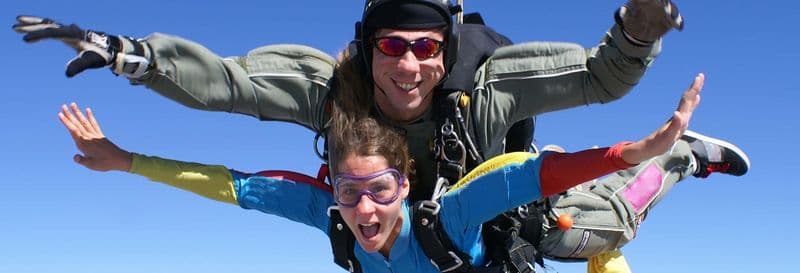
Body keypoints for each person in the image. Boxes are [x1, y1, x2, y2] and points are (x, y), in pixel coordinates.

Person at [16, 0, 742, 270]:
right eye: (392, 46)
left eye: (427, 47)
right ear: (368, 48)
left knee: (594, 229)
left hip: (491, 216)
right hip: (411, 231)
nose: (409, 66)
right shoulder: (336, 101)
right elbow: (228, 87)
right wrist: (132, 57)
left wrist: (636, 30)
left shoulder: (486, 86)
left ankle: (678, 157)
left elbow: (598, 81)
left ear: (448, 48)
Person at [58, 71, 709, 273]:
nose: (364, 210)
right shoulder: (332, 218)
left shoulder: (443, 217)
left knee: (605, 229)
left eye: (379, 190)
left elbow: (519, 180)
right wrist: (126, 162)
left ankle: (683, 157)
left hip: (537, 223)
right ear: (332, 193)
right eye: (348, 192)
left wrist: (634, 150)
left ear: (405, 184)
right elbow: (233, 187)